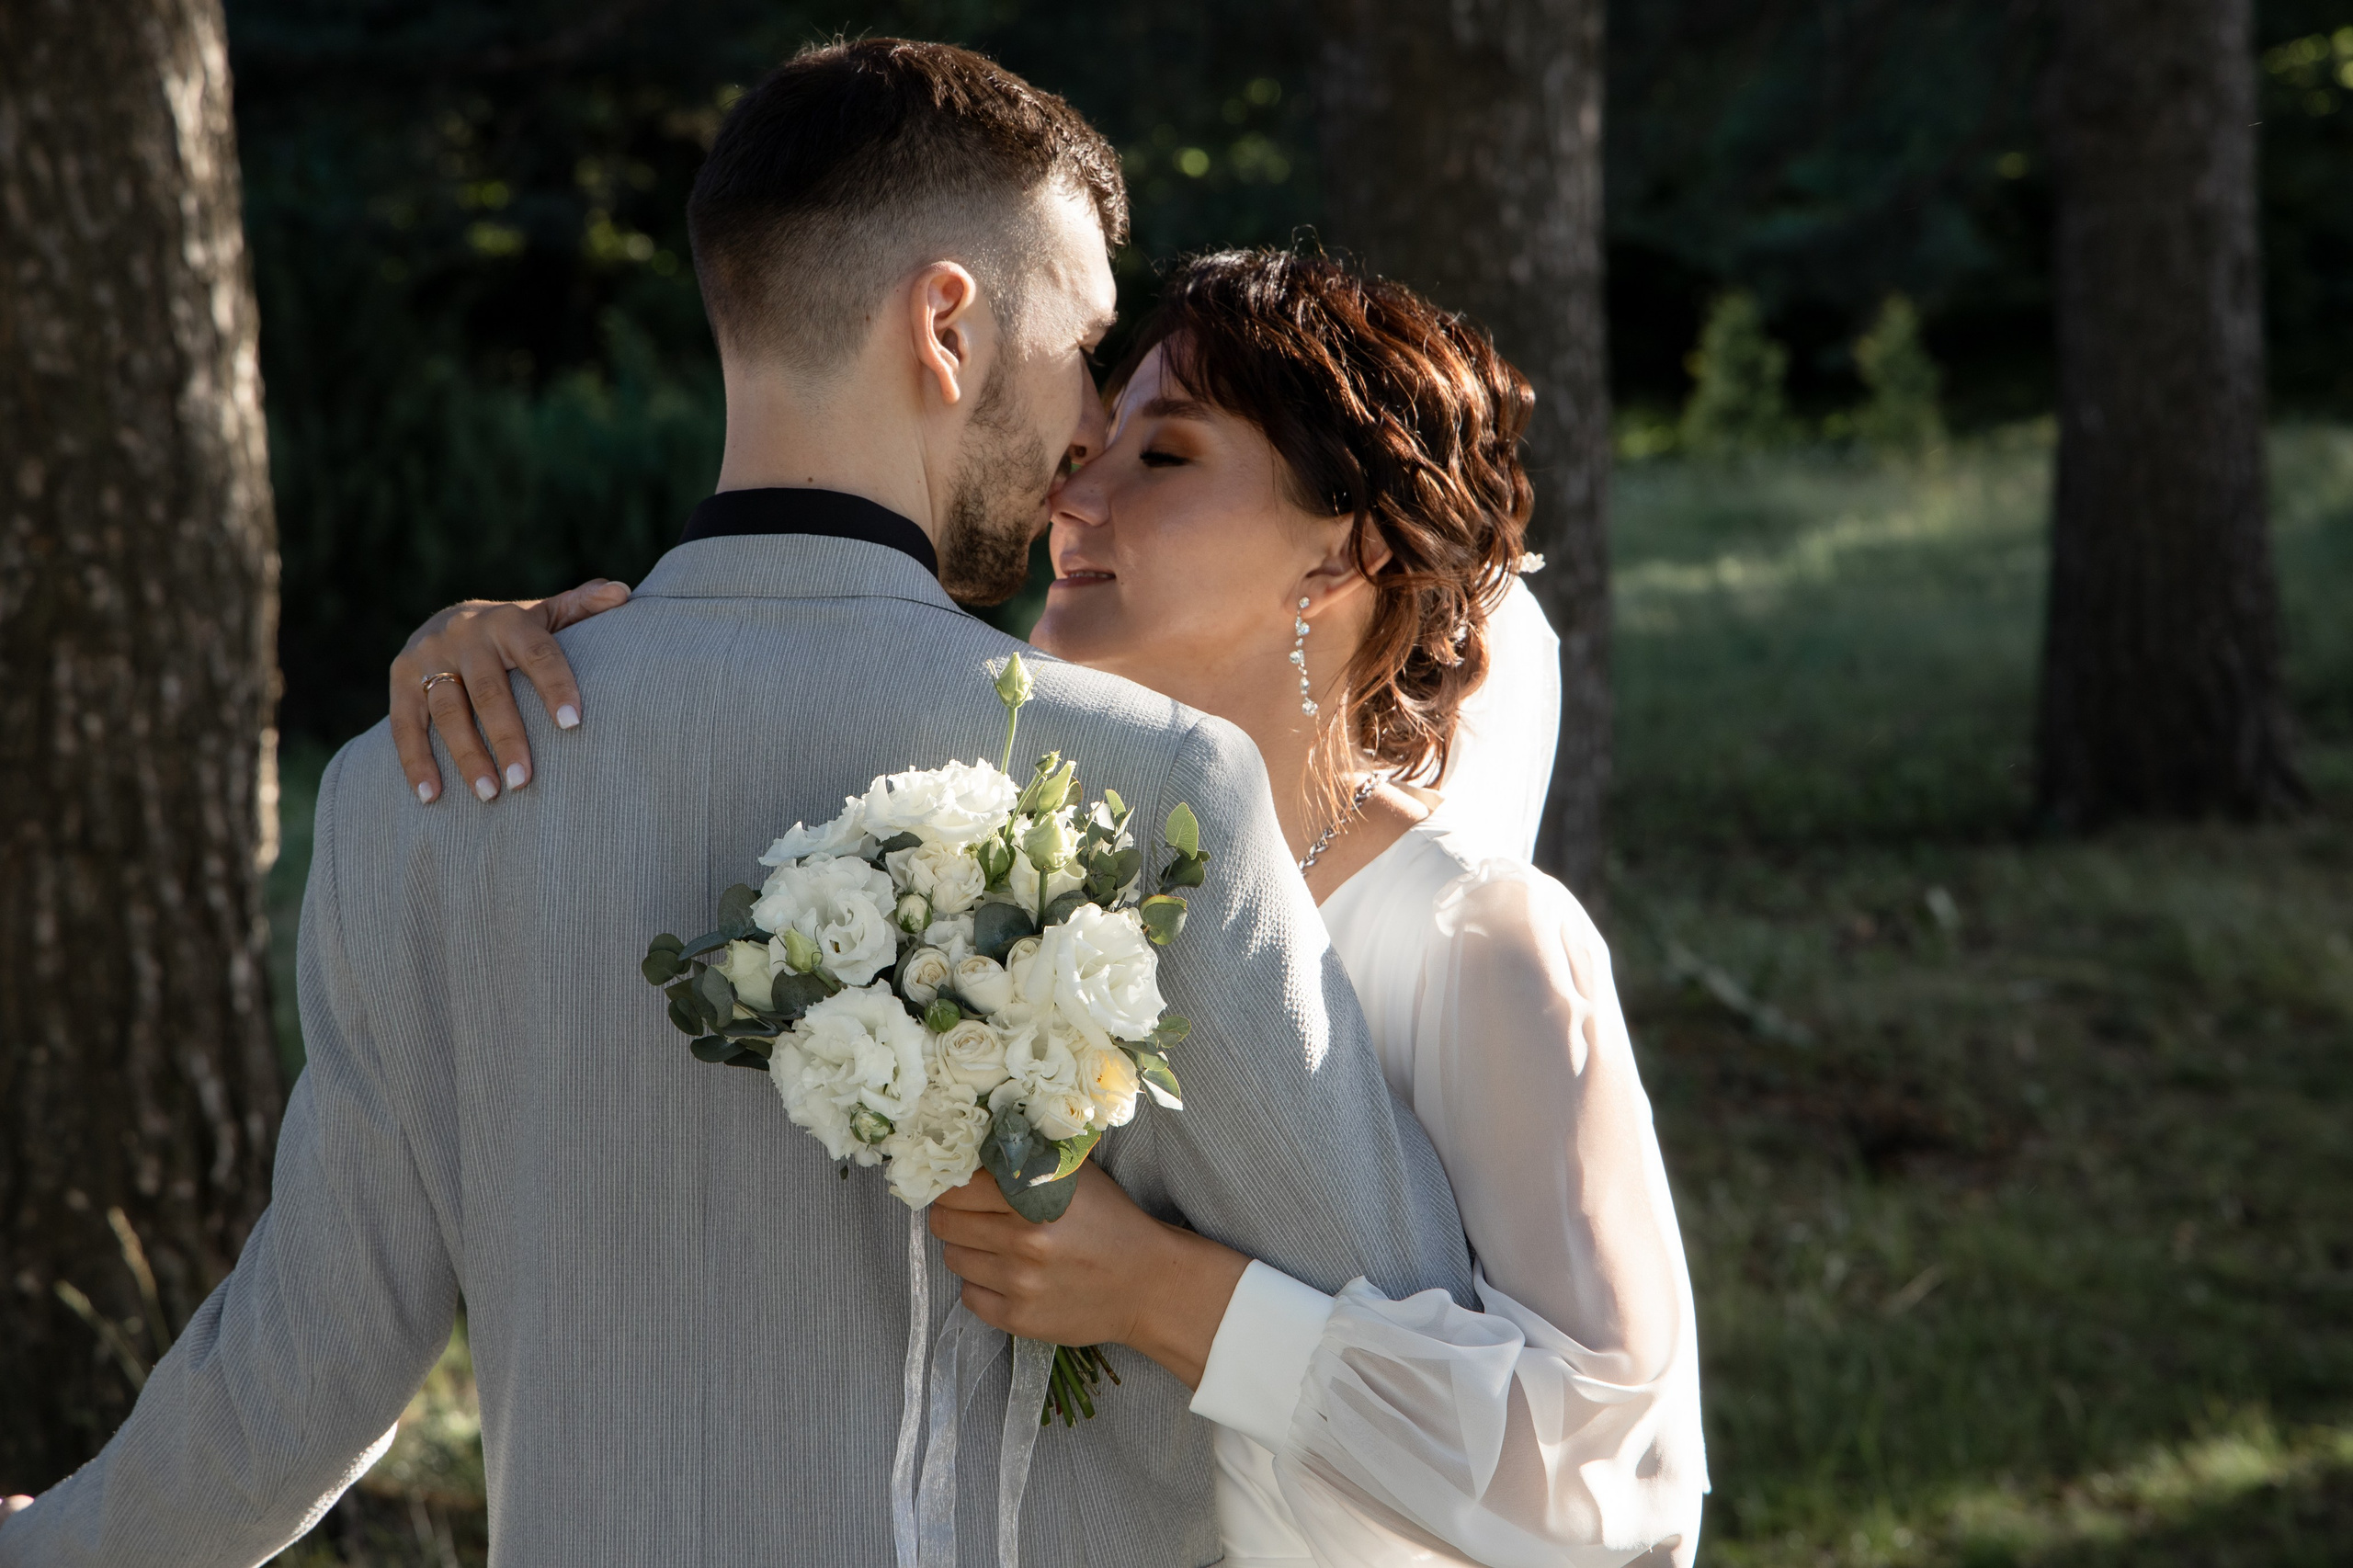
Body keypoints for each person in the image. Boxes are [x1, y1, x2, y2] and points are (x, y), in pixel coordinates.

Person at [0, 43, 1473, 1568]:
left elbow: (296, 1381)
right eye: (1087, 346)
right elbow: (1403, 1337)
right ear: (948, 325)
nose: (1090, 425)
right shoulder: (1151, 787)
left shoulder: (419, 784)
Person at [392, 249, 1710, 1567]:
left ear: (1344, 550)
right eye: (1101, 443)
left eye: (1169, 456)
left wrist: (1164, 1291)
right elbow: (724, 734)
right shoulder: (1005, 857)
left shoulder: (1479, 943)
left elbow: (1621, 1469)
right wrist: (495, 651)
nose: (1076, 490)